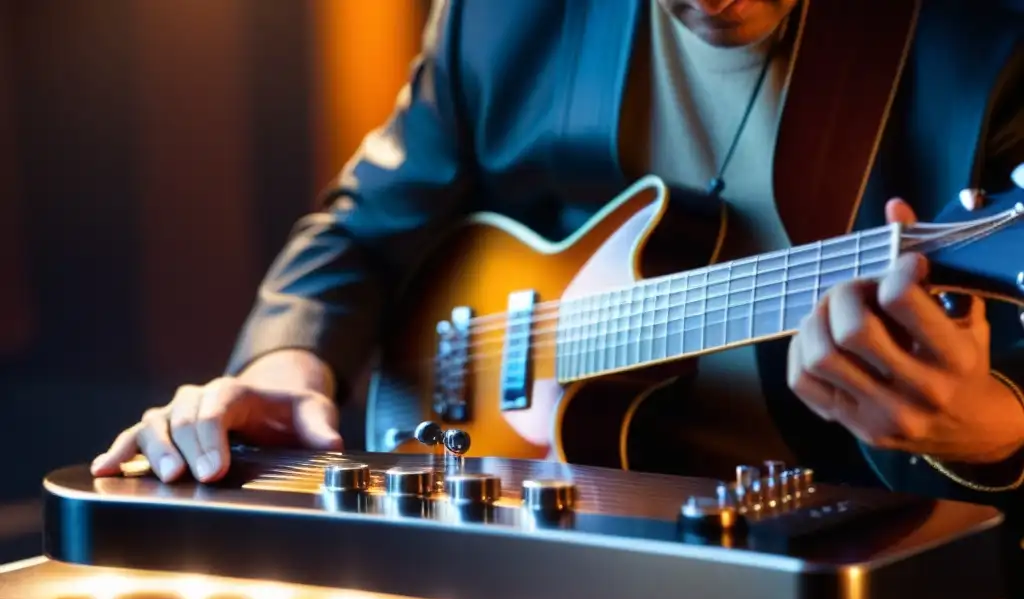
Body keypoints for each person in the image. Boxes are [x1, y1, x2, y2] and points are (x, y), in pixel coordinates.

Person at [90, 0, 1024, 509]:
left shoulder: (988, 43)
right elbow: (358, 231)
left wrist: (989, 434)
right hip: (536, 563)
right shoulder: (500, 17)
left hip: (861, 594)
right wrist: (288, 369)